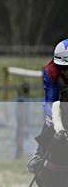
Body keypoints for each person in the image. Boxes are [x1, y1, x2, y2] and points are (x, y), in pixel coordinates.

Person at [28, 38, 68, 173]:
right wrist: (57, 122)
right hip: (60, 100)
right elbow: (50, 101)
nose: (64, 72)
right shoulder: (51, 71)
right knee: (50, 119)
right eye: (61, 67)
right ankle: (40, 154)